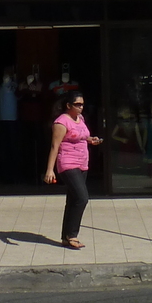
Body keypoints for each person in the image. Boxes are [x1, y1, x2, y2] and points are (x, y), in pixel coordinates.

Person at [43, 92, 101, 250]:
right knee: (82, 198)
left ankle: (65, 237)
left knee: (73, 199)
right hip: (68, 163)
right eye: (78, 104)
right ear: (68, 106)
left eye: (82, 104)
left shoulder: (80, 119)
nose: (81, 107)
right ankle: (72, 235)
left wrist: (91, 140)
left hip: (82, 163)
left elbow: (81, 136)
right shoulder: (61, 123)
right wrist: (50, 170)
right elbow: (55, 146)